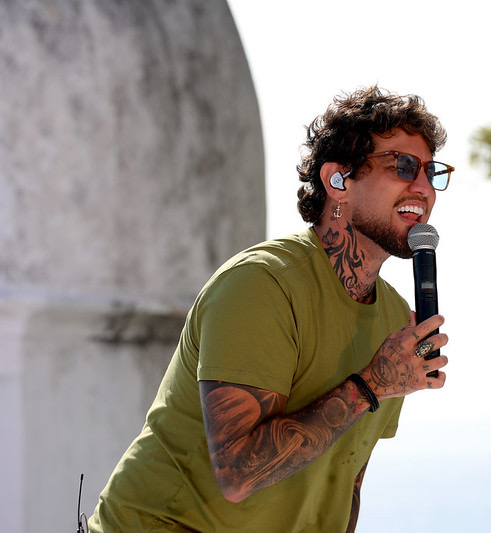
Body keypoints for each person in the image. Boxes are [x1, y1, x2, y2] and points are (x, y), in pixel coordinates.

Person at [89, 86, 453, 532]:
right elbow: (238, 474)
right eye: (403, 165)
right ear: (338, 180)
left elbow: (347, 477)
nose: (423, 188)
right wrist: (372, 384)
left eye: (431, 171)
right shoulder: (262, 284)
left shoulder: (394, 319)